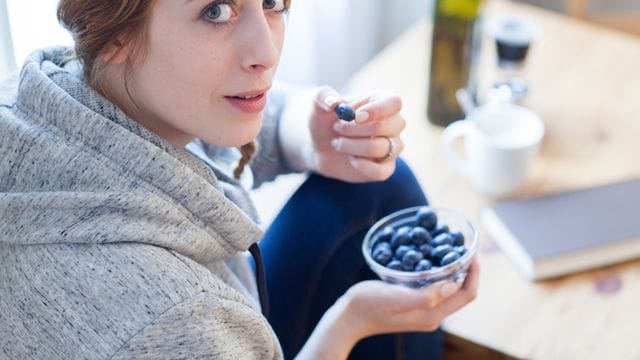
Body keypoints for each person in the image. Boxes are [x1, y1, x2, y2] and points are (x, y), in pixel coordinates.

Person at [0, 0, 479, 359]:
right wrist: (350, 322)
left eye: (272, 3)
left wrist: (309, 136)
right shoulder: (166, 320)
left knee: (378, 185)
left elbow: (216, 132)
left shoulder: (60, 92)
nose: (266, 53)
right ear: (113, 31)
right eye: (217, 10)